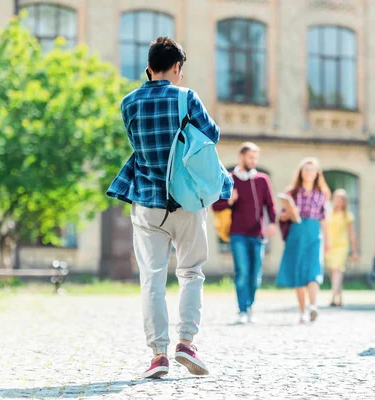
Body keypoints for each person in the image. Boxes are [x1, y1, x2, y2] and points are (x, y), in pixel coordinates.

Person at [107, 37, 232, 379]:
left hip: (146, 202)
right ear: (177, 67)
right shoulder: (186, 96)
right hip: (187, 200)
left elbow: (138, 144)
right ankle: (187, 344)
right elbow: (213, 135)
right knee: (191, 273)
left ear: (148, 68)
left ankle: (158, 355)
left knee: (152, 280)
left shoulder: (128, 103)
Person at [212, 142, 277, 325]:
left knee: (256, 274)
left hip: (258, 235)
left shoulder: (262, 180)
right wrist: (229, 202)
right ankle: (242, 310)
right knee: (242, 272)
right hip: (238, 234)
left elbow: (270, 205)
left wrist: (272, 223)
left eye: (255, 158)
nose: (253, 161)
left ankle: (249, 307)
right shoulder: (229, 179)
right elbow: (216, 205)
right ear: (240, 157)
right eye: (250, 157)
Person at [276, 158, 331, 323]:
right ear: (301, 172)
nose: (308, 173)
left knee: (313, 270)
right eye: (305, 169)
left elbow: (324, 219)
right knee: (298, 272)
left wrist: (327, 241)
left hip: (314, 233)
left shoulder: (322, 194)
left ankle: (313, 305)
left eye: (312, 170)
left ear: (317, 174)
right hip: (297, 232)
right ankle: (302, 311)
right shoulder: (292, 192)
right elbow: (283, 215)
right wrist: (289, 213)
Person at [325, 189, 358, 307]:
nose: (339, 201)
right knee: (333, 272)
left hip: (342, 246)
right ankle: (340, 295)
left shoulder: (348, 216)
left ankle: (333, 297)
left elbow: (352, 234)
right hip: (330, 245)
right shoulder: (328, 214)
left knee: (337, 270)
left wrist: (354, 251)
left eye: (342, 199)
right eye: (337, 198)